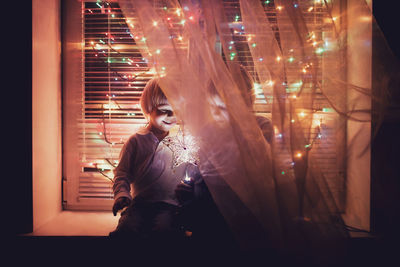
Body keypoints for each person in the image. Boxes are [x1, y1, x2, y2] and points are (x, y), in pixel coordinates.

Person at [174, 65, 274, 255]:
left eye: (223, 108)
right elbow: (196, 174)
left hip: (247, 222)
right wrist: (188, 191)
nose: (216, 114)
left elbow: (264, 176)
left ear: (246, 104)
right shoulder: (207, 132)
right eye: (213, 107)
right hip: (209, 221)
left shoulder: (261, 129)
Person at [109, 78, 201, 248]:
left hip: (170, 206)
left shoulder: (184, 141)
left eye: (176, 111)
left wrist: (191, 192)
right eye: (164, 110)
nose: (171, 117)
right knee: (125, 232)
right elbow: (122, 174)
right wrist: (122, 195)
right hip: (138, 205)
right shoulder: (136, 141)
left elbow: (194, 172)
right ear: (149, 108)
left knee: (164, 234)